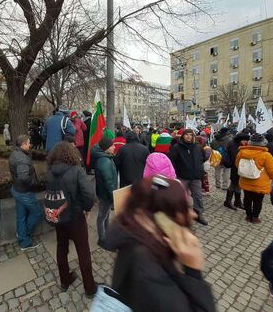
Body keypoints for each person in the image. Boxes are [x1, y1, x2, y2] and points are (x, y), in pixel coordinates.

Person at [105, 176, 215, 312]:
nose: (192, 214)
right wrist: (193, 272)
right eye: (183, 209)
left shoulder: (141, 240)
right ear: (162, 219)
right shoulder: (147, 269)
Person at [46, 142, 97, 298]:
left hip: (59, 217)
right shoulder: (77, 170)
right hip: (75, 216)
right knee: (83, 251)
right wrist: (86, 209)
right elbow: (89, 195)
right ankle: (90, 288)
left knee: (61, 247)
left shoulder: (50, 171)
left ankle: (64, 280)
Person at [9, 135, 43, 250]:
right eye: (28, 143)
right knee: (37, 212)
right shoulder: (22, 159)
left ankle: (21, 235)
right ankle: (24, 238)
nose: (30, 145)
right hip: (24, 192)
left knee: (21, 216)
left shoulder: (16, 154)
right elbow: (24, 178)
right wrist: (33, 184)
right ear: (23, 144)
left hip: (17, 190)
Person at [168, 129, 209, 225]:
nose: (189, 137)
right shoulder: (176, 148)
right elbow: (171, 162)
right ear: (183, 136)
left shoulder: (198, 147)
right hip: (182, 176)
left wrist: (199, 169)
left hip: (195, 177)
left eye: (191, 135)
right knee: (180, 197)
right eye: (187, 135)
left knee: (198, 196)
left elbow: (202, 158)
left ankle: (199, 214)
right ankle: (179, 214)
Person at [235, 133, 273, 223]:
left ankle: (248, 215)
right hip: (260, 183)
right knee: (258, 201)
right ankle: (255, 217)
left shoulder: (241, 152)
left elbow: (237, 165)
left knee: (247, 198)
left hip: (245, 180)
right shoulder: (266, 155)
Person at [91, 137, 117, 246]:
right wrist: (113, 197)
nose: (114, 147)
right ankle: (102, 239)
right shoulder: (104, 161)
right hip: (106, 194)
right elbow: (109, 182)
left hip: (104, 193)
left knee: (104, 214)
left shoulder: (105, 157)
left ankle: (106, 233)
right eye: (112, 146)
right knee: (102, 216)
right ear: (106, 148)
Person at [224, 131, 250, 210]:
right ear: (240, 139)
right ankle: (228, 201)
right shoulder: (233, 144)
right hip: (235, 167)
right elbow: (235, 157)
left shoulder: (239, 144)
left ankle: (237, 201)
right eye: (244, 140)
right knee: (234, 184)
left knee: (238, 184)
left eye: (247, 140)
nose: (246, 142)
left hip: (240, 168)